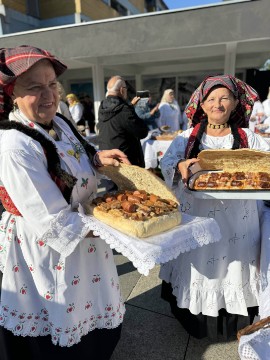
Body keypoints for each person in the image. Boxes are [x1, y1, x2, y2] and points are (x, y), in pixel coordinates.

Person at [0, 45, 130, 360]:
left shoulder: (59, 121)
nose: (48, 95)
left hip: (87, 232)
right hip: (49, 247)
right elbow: (53, 223)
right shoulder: (14, 146)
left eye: (52, 84)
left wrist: (98, 157)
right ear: (12, 94)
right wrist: (120, 225)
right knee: (59, 316)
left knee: (90, 305)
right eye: (34, 87)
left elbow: (78, 151)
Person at [159, 74, 270, 340]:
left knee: (237, 265)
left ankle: (235, 320)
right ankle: (197, 321)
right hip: (198, 217)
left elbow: (266, 165)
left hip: (240, 220)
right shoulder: (187, 138)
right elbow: (167, 164)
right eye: (211, 98)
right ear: (201, 103)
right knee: (201, 261)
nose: (217, 104)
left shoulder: (249, 138)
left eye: (224, 98)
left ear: (234, 103)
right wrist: (179, 166)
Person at [98, 75, 149, 168]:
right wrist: (131, 110)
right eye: (126, 89)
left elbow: (117, 118)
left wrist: (130, 106)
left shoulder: (102, 106)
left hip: (108, 160)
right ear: (122, 90)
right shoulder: (124, 110)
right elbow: (142, 132)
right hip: (125, 162)